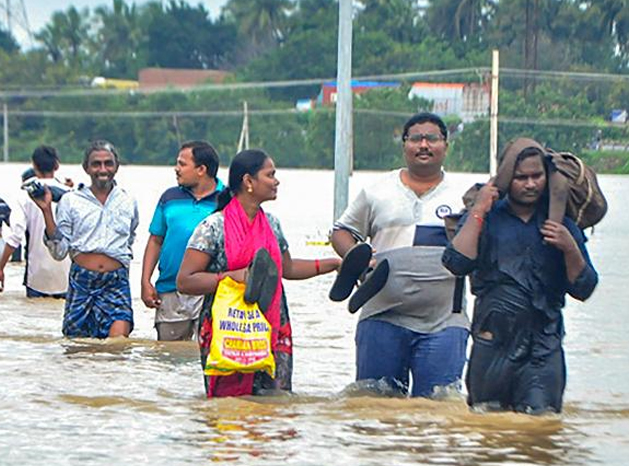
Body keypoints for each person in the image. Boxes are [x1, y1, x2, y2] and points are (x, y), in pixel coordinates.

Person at [442, 139, 599, 414]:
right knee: (486, 423)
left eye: (536, 176)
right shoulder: (487, 218)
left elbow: (584, 288)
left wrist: (570, 248)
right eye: (520, 177)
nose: (530, 184)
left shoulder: (561, 223)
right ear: (506, 179)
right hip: (492, 343)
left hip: (544, 346)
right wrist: (479, 209)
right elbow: (456, 262)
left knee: (542, 422)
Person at [177, 149, 342, 397]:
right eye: (270, 175)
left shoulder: (272, 224)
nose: (276, 181)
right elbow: (185, 280)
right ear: (248, 181)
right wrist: (229, 277)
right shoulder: (213, 226)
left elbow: (287, 269)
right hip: (227, 326)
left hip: (272, 324)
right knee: (227, 410)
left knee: (275, 404)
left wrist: (334, 264)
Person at [329, 112, 470, 398]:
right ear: (404, 145)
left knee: (438, 408)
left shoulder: (464, 196)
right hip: (382, 316)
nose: (423, 145)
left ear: (446, 145)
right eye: (415, 139)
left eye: (432, 138)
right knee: (374, 406)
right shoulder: (377, 191)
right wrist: (357, 259)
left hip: (444, 322)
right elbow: (340, 231)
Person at [34, 140, 139, 338]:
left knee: (117, 345)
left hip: (116, 281)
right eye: (96, 164)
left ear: (116, 167)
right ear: (86, 168)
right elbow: (59, 252)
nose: (103, 169)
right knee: (78, 347)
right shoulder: (70, 201)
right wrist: (47, 210)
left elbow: (130, 238)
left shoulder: (128, 200)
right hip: (82, 280)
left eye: (108, 163)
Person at [141, 140, 224, 341]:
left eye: (182, 164)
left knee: (208, 355)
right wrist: (145, 281)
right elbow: (155, 240)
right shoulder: (169, 197)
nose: (176, 169)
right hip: (170, 291)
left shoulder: (227, 199)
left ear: (201, 169)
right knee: (168, 359)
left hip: (212, 290)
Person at [0, 147, 72, 298]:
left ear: (34, 166)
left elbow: (15, 236)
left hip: (36, 277)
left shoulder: (24, 195)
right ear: (57, 166)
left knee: (33, 317)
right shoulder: (72, 194)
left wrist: (0, 269)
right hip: (67, 276)